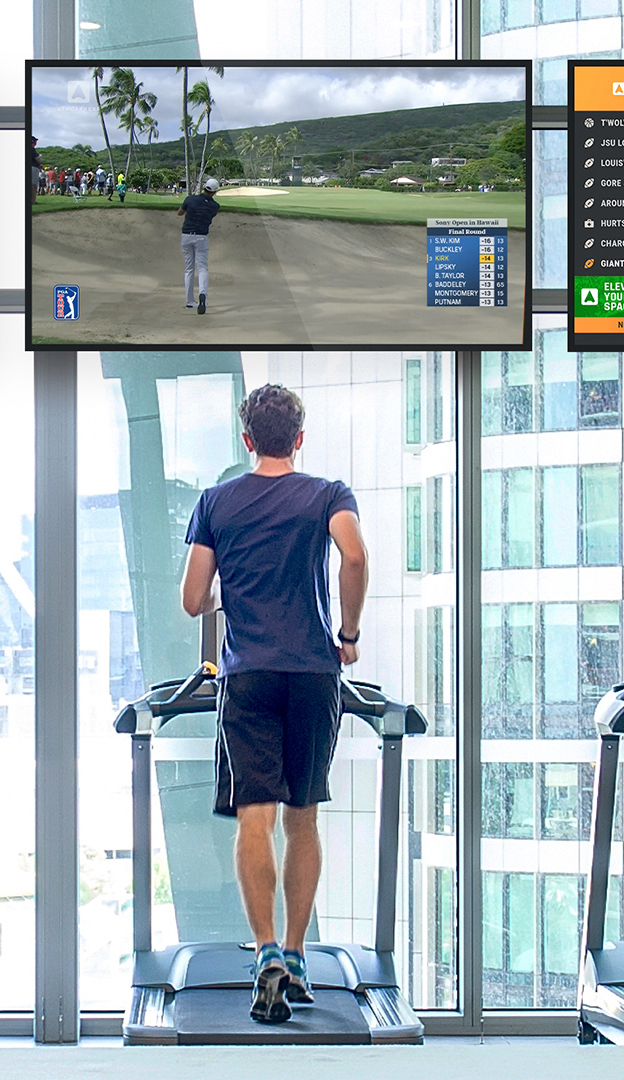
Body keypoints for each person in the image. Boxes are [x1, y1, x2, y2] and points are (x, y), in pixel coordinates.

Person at [180, 384, 368, 1024]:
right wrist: (348, 634)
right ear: (301, 436)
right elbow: (355, 556)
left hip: (248, 673)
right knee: (304, 817)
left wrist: (224, 595)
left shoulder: (216, 501)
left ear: (247, 439)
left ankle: (266, 955)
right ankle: (297, 950)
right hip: (314, 672)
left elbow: (192, 598)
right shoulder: (328, 494)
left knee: (253, 817)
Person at [178, 177, 221, 314]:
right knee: (202, 268)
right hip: (201, 237)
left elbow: (180, 212)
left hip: (186, 236)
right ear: (214, 192)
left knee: (189, 269)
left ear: (204, 187)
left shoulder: (190, 199)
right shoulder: (215, 207)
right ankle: (203, 294)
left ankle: (189, 301)